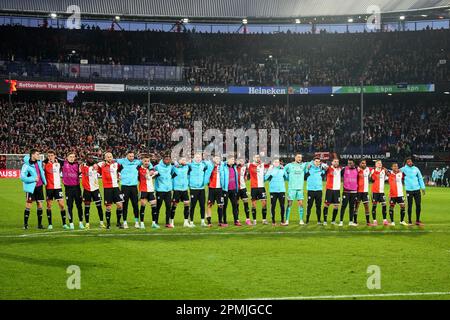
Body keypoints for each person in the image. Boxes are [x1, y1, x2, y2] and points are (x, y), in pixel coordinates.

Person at [20, 149, 47, 229]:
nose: (39, 156)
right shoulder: (26, 165)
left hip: (39, 187)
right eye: (37, 154)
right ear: (33, 155)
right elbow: (22, 177)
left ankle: (39, 225)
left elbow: (41, 172)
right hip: (31, 188)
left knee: (40, 205)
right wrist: (33, 179)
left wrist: (44, 182)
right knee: (29, 205)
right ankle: (25, 225)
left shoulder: (39, 162)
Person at [42, 150, 69, 229]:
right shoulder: (45, 165)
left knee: (62, 205)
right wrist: (45, 161)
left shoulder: (58, 163)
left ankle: (64, 224)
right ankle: (50, 224)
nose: (50, 157)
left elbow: (65, 161)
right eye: (49, 156)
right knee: (49, 205)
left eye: (51, 155)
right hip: (49, 188)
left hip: (58, 188)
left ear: (54, 156)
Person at [97, 152, 124, 229]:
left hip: (116, 187)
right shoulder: (101, 165)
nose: (109, 158)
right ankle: (108, 224)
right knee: (108, 207)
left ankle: (118, 223)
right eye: (108, 157)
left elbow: (120, 170)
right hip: (107, 188)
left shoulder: (116, 164)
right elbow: (96, 170)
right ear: (105, 158)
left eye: (111, 156)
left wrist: (119, 176)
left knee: (120, 205)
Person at [116, 151, 142, 229]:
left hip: (134, 187)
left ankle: (137, 222)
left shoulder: (137, 162)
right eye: (130, 156)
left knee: (135, 205)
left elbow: (147, 162)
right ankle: (124, 222)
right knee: (125, 205)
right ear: (126, 156)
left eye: (132, 156)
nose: (131, 157)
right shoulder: (122, 161)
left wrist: (151, 168)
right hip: (124, 187)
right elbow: (112, 161)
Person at [80, 155, 105, 229]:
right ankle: (87, 223)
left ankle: (101, 223)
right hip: (87, 190)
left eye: (92, 158)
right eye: (89, 158)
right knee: (87, 207)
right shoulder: (83, 166)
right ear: (86, 159)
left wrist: (96, 164)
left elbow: (105, 162)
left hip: (95, 189)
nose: (91, 159)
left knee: (99, 207)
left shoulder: (96, 167)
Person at [62, 152, 85, 229]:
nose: (72, 158)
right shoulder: (63, 164)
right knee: (69, 206)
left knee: (79, 206)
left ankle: (81, 223)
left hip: (77, 188)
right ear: (67, 157)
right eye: (70, 156)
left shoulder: (77, 165)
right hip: (68, 189)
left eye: (73, 157)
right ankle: (71, 223)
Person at [283, 154, 307, 225]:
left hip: (300, 188)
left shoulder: (303, 165)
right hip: (292, 188)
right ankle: (287, 220)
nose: (300, 158)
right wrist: (287, 177)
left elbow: (311, 163)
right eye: (298, 157)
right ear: (295, 158)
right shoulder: (289, 165)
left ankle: (301, 220)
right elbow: (283, 170)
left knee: (301, 204)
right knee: (289, 204)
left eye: (301, 157)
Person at [401, 157, 426, 226]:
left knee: (418, 205)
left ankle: (417, 220)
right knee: (410, 205)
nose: (409, 163)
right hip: (409, 190)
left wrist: (423, 188)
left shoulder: (416, 168)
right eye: (408, 162)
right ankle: (409, 221)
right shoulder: (404, 169)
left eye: (410, 161)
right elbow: (395, 171)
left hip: (417, 190)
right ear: (406, 163)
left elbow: (420, 178)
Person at [187, 153, 208, 227]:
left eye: (199, 157)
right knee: (193, 206)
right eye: (197, 157)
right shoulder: (190, 165)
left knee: (202, 206)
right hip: (193, 189)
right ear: (194, 158)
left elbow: (210, 167)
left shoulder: (203, 165)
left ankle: (202, 221)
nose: (198, 158)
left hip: (202, 189)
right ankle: (191, 222)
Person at [248, 154, 270, 225]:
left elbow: (270, 164)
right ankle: (254, 220)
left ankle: (264, 220)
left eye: (259, 157)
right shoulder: (249, 165)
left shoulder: (263, 165)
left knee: (264, 203)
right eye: (256, 157)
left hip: (261, 187)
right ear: (253, 158)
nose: (258, 158)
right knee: (254, 204)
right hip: (253, 188)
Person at [137, 155, 157, 229]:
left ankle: (153, 223)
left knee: (154, 205)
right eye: (145, 161)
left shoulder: (150, 169)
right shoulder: (140, 169)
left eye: (148, 161)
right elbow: (147, 176)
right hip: (143, 190)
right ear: (142, 161)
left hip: (151, 190)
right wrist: (153, 173)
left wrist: (153, 172)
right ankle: (142, 223)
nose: (147, 162)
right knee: (143, 205)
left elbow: (155, 174)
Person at [154, 155, 174, 228]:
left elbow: (172, 175)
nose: (168, 161)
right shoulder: (157, 167)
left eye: (169, 159)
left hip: (168, 190)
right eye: (166, 159)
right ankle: (155, 222)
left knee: (168, 207)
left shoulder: (171, 167)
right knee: (157, 207)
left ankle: (167, 223)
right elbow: (153, 175)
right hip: (160, 190)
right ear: (163, 159)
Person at [205, 156, 225, 227]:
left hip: (220, 189)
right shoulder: (210, 166)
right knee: (209, 205)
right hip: (211, 188)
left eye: (218, 159)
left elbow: (228, 162)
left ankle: (220, 221)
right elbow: (204, 162)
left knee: (220, 205)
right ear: (213, 160)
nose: (217, 160)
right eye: (216, 159)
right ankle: (209, 222)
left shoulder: (222, 166)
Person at [265, 159, 286, 226]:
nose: (277, 163)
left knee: (282, 206)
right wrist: (270, 172)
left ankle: (282, 221)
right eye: (275, 162)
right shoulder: (270, 169)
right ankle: (273, 221)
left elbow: (286, 178)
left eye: (278, 162)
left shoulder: (282, 169)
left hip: (281, 190)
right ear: (273, 163)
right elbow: (266, 178)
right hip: (273, 191)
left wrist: (284, 170)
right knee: (273, 206)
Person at [171, 157, 191, 228]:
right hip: (177, 189)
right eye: (182, 160)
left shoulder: (187, 167)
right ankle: (172, 222)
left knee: (187, 205)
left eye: (185, 160)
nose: (184, 161)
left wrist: (185, 162)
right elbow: (168, 163)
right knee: (174, 205)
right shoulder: (174, 167)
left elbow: (194, 163)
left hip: (185, 189)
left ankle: (186, 222)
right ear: (179, 161)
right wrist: (175, 162)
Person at [305, 157, 325, 225]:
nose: (317, 163)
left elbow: (325, 172)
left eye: (318, 161)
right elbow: (305, 172)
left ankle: (319, 220)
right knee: (309, 206)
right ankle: (307, 220)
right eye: (316, 161)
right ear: (313, 161)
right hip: (311, 190)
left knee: (318, 206)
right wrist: (308, 167)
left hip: (319, 190)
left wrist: (324, 168)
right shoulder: (309, 167)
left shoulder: (321, 168)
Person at [339, 159, 358, 227]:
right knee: (343, 206)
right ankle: (341, 221)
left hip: (354, 191)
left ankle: (350, 221)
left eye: (350, 163)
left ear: (354, 163)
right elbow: (338, 175)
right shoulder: (344, 169)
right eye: (348, 163)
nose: (349, 164)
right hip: (346, 191)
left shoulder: (357, 170)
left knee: (352, 207)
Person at [322, 158, 342, 224]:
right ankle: (325, 221)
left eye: (337, 162)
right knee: (326, 205)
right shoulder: (328, 168)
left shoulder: (340, 169)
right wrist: (326, 165)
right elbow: (322, 165)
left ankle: (333, 221)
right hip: (329, 189)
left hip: (337, 190)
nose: (336, 163)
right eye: (335, 161)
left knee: (336, 206)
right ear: (332, 162)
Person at [222, 156, 240, 226]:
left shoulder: (234, 167)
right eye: (232, 159)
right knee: (225, 206)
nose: (233, 160)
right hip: (226, 190)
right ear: (228, 160)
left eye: (233, 159)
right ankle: (225, 221)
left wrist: (236, 188)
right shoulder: (224, 167)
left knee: (235, 205)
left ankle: (236, 220)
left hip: (233, 190)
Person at [370, 160, 388, 226]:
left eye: (380, 163)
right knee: (374, 206)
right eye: (378, 163)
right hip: (375, 192)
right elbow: (371, 179)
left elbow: (387, 178)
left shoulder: (384, 171)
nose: (380, 164)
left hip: (382, 192)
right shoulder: (373, 171)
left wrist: (387, 173)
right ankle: (374, 221)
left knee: (384, 205)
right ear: (375, 165)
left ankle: (385, 220)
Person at [355, 159, 373, 226]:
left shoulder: (368, 169)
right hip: (358, 191)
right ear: (360, 164)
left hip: (365, 191)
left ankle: (368, 222)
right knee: (356, 206)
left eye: (365, 163)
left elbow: (375, 169)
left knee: (367, 206)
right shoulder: (356, 170)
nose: (364, 164)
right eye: (362, 163)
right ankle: (355, 221)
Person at [236, 158, 251, 225]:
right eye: (240, 161)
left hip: (243, 188)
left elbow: (246, 178)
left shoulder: (245, 168)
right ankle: (237, 219)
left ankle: (247, 219)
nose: (241, 162)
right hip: (236, 189)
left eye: (242, 161)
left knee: (246, 203)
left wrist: (243, 182)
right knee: (236, 205)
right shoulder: (234, 168)